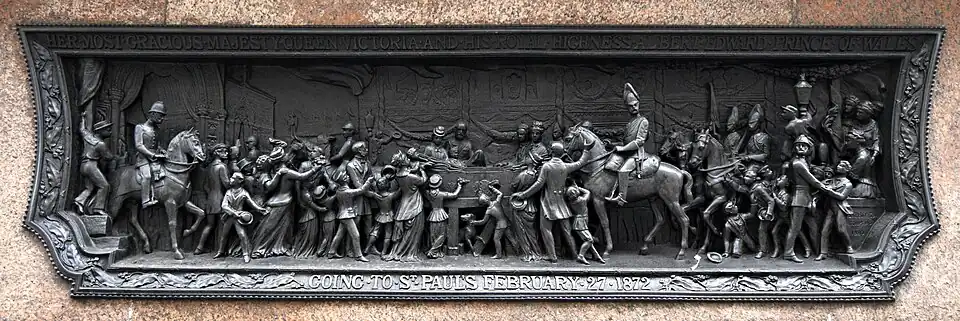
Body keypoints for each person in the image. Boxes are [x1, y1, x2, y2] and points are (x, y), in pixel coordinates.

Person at [513, 141, 593, 262]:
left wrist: (524, 195)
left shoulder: (547, 166)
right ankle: (575, 254)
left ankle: (552, 256)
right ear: (561, 153)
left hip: (548, 204)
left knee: (546, 229)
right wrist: (586, 150)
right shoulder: (565, 166)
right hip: (561, 203)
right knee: (567, 231)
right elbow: (581, 162)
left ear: (551, 152)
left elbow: (539, 184)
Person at [250, 146, 324, 258]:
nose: (287, 157)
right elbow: (302, 176)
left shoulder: (278, 171)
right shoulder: (286, 172)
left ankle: (280, 247)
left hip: (283, 203)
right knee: (271, 228)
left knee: (284, 229)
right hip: (281, 203)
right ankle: (261, 249)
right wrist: (316, 168)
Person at [783, 134, 831, 263]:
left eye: (804, 145)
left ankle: (819, 251)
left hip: (806, 197)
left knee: (813, 226)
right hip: (799, 197)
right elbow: (812, 180)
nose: (800, 147)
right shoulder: (797, 163)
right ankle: (788, 252)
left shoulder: (804, 161)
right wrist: (826, 188)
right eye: (798, 145)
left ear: (809, 148)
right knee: (795, 227)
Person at [606, 83, 651, 206]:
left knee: (623, 171)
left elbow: (639, 141)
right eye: (631, 106)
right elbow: (625, 140)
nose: (634, 108)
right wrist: (613, 145)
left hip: (636, 155)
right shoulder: (630, 123)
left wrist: (622, 148)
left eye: (635, 105)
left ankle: (621, 197)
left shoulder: (643, 121)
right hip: (627, 153)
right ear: (627, 108)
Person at [382, 152, 428, 262]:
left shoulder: (398, 175)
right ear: (403, 162)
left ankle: (397, 251)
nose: (409, 159)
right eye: (406, 158)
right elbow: (423, 181)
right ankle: (409, 252)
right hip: (414, 203)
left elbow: (408, 172)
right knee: (414, 230)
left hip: (403, 204)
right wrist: (422, 171)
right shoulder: (411, 177)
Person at [215, 173, 268, 263]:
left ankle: (246, 254)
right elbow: (224, 205)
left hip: (239, 218)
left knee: (242, 235)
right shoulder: (229, 192)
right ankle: (220, 251)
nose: (230, 179)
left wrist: (260, 209)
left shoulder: (244, 193)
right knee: (224, 235)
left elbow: (251, 203)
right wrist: (233, 212)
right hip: (229, 217)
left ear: (239, 181)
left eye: (233, 178)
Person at [327, 172, 376, 262]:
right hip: (347, 216)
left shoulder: (339, 190)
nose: (348, 176)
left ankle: (331, 252)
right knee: (356, 235)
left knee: (339, 234)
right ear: (344, 180)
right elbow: (361, 190)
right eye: (346, 176)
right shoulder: (347, 192)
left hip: (343, 215)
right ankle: (358, 255)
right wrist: (368, 181)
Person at [191, 143, 230, 255]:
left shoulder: (209, 167)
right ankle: (220, 250)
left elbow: (206, 186)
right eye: (223, 151)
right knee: (223, 226)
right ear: (217, 152)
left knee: (210, 225)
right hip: (221, 199)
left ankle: (199, 248)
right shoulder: (222, 167)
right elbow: (226, 184)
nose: (226, 153)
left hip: (211, 199)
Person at [73, 112, 114, 216]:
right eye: (108, 130)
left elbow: (82, 129)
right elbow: (109, 157)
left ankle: (79, 201)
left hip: (83, 166)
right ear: (101, 131)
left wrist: (82, 117)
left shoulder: (88, 137)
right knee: (104, 186)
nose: (110, 132)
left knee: (89, 188)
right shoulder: (100, 144)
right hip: (91, 166)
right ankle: (98, 208)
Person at [816, 161, 857, 260]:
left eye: (842, 166)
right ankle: (823, 253)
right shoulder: (831, 180)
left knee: (841, 229)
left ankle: (849, 246)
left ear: (847, 170)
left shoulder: (848, 184)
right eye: (838, 164)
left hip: (840, 208)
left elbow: (842, 197)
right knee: (824, 230)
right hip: (830, 208)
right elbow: (821, 186)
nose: (839, 166)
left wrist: (829, 191)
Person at [508, 152, 544, 262]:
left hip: (522, 206)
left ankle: (528, 254)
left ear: (531, 162)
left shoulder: (523, 175)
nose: (526, 159)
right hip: (532, 206)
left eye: (528, 157)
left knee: (522, 232)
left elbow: (513, 186)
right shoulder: (537, 176)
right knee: (532, 232)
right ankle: (537, 252)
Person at [424, 174, 468, 259]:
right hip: (440, 214)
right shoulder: (441, 194)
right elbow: (454, 195)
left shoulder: (427, 193)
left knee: (433, 235)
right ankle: (433, 251)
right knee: (442, 234)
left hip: (433, 214)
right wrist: (459, 186)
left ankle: (436, 251)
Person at [135, 101, 167, 208]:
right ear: (152, 114)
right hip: (143, 159)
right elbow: (139, 145)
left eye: (163, 116)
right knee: (147, 176)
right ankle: (145, 201)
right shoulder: (140, 128)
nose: (162, 119)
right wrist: (152, 155)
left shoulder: (157, 130)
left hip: (156, 158)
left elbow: (157, 145)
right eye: (160, 116)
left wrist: (162, 151)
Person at [565, 184, 605, 265]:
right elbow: (588, 192)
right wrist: (579, 188)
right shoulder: (581, 201)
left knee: (588, 240)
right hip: (581, 223)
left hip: (580, 221)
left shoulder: (571, 202)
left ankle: (596, 255)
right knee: (589, 240)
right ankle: (581, 256)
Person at [346, 141, 376, 248]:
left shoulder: (367, 163)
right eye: (364, 149)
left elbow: (372, 178)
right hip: (357, 199)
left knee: (369, 221)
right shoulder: (350, 165)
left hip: (366, 200)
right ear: (359, 151)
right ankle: (350, 249)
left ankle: (370, 247)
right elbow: (357, 185)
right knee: (356, 223)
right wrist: (373, 195)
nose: (367, 150)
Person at [365, 166, 400, 256]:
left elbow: (367, 192)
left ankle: (367, 248)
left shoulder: (376, 195)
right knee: (388, 234)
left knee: (375, 232)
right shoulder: (391, 196)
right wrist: (397, 177)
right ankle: (384, 252)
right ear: (388, 185)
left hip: (380, 215)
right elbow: (400, 191)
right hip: (389, 216)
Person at [470, 183, 507, 259]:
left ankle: (499, 255)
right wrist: (492, 188)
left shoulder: (489, 210)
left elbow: (483, 221)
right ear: (487, 198)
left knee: (496, 239)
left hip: (500, 225)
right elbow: (500, 194)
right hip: (504, 223)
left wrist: (474, 222)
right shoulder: (496, 203)